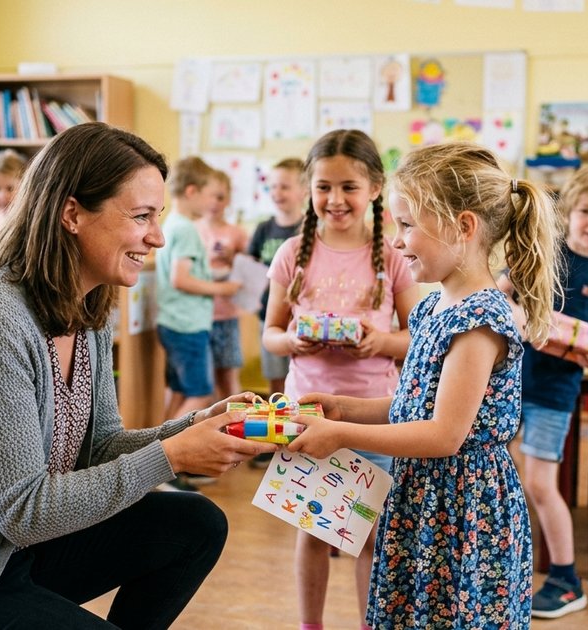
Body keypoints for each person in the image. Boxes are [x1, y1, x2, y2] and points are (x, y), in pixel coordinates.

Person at [0, 123, 278, 629]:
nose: (157, 237)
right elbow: (24, 510)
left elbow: (99, 446)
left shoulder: (87, 308)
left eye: (158, 216)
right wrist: (172, 456)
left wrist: (192, 428)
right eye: (141, 216)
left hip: (11, 549)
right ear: (72, 213)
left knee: (197, 523)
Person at [288, 141, 561, 627]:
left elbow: (443, 434)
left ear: (463, 226)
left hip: (461, 511)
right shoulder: (435, 307)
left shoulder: (478, 321)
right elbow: (413, 405)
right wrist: (342, 407)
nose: (396, 241)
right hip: (424, 499)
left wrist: (341, 435)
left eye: (408, 225)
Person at [262, 130, 417, 630]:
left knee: (370, 535)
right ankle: (311, 625)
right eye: (323, 187)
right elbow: (270, 334)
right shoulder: (292, 253)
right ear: (309, 188)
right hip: (307, 413)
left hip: (375, 417)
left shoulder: (393, 255)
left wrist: (381, 341)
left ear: (374, 188)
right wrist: (292, 341)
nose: (335, 199)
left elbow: (417, 338)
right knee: (313, 531)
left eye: (349, 187)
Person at [497, 164, 588, 619]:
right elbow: (499, 294)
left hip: (554, 393)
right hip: (510, 382)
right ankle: (507, 569)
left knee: (539, 483)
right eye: (586, 211)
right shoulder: (543, 251)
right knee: (506, 479)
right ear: (568, 211)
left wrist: (579, 340)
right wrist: (519, 311)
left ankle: (565, 579)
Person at [156, 156, 241, 423]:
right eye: (208, 195)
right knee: (202, 394)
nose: (210, 202)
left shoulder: (172, 223)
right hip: (188, 326)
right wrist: (222, 288)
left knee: (179, 391)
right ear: (192, 191)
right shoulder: (187, 230)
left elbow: (188, 273)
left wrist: (219, 276)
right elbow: (181, 279)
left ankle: (156, 441)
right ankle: (168, 446)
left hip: (172, 322)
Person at [249, 158, 308, 397]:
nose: (277, 192)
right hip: (269, 316)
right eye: (272, 186)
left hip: (302, 319)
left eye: (284, 187)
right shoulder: (263, 229)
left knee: (302, 380)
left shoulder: (310, 229)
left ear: (304, 191)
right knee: (275, 381)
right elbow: (250, 267)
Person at [196, 169, 249, 400]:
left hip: (226, 315)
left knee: (228, 376)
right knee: (203, 381)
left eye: (220, 197)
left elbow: (251, 271)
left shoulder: (236, 233)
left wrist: (232, 257)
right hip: (198, 317)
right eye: (209, 196)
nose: (214, 203)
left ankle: (236, 417)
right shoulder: (192, 230)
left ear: (228, 200)